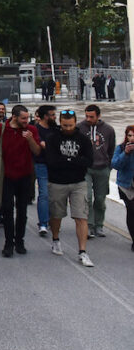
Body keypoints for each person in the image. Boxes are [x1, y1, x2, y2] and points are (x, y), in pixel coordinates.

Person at [0, 104, 42, 257]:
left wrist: (30, 139)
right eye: (23, 118)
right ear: (14, 117)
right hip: (6, 177)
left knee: (22, 211)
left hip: (25, 176)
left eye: (27, 118)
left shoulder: (31, 130)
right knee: (7, 211)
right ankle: (8, 243)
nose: (26, 121)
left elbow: (37, 151)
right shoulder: (0, 129)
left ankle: (20, 241)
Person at [43, 109, 94, 266]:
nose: (68, 128)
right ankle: (56, 239)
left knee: (81, 216)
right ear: (60, 122)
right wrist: (74, 160)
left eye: (70, 125)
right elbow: (51, 161)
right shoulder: (52, 138)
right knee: (56, 215)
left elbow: (89, 161)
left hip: (79, 182)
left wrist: (67, 160)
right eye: (65, 125)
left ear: (75, 123)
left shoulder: (83, 139)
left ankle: (82, 251)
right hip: (57, 182)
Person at [77, 104, 116, 238]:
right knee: (87, 197)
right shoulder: (79, 128)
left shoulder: (109, 130)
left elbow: (112, 149)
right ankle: (89, 225)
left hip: (103, 168)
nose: (88, 119)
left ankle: (99, 225)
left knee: (100, 199)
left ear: (98, 116)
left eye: (91, 117)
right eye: (86, 116)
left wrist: (109, 165)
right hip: (85, 168)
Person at [32, 105, 57, 237]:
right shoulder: (36, 129)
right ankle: (43, 223)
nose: (55, 117)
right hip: (41, 164)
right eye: (52, 115)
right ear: (45, 116)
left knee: (55, 195)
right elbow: (43, 145)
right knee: (44, 194)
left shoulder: (56, 128)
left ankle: (52, 220)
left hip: (56, 165)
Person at [110, 125, 134, 252]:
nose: (132, 138)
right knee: (131, 211)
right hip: (125, 186)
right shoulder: (121, 148)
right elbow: (115, 164)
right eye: (129, 135)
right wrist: (126, 153)